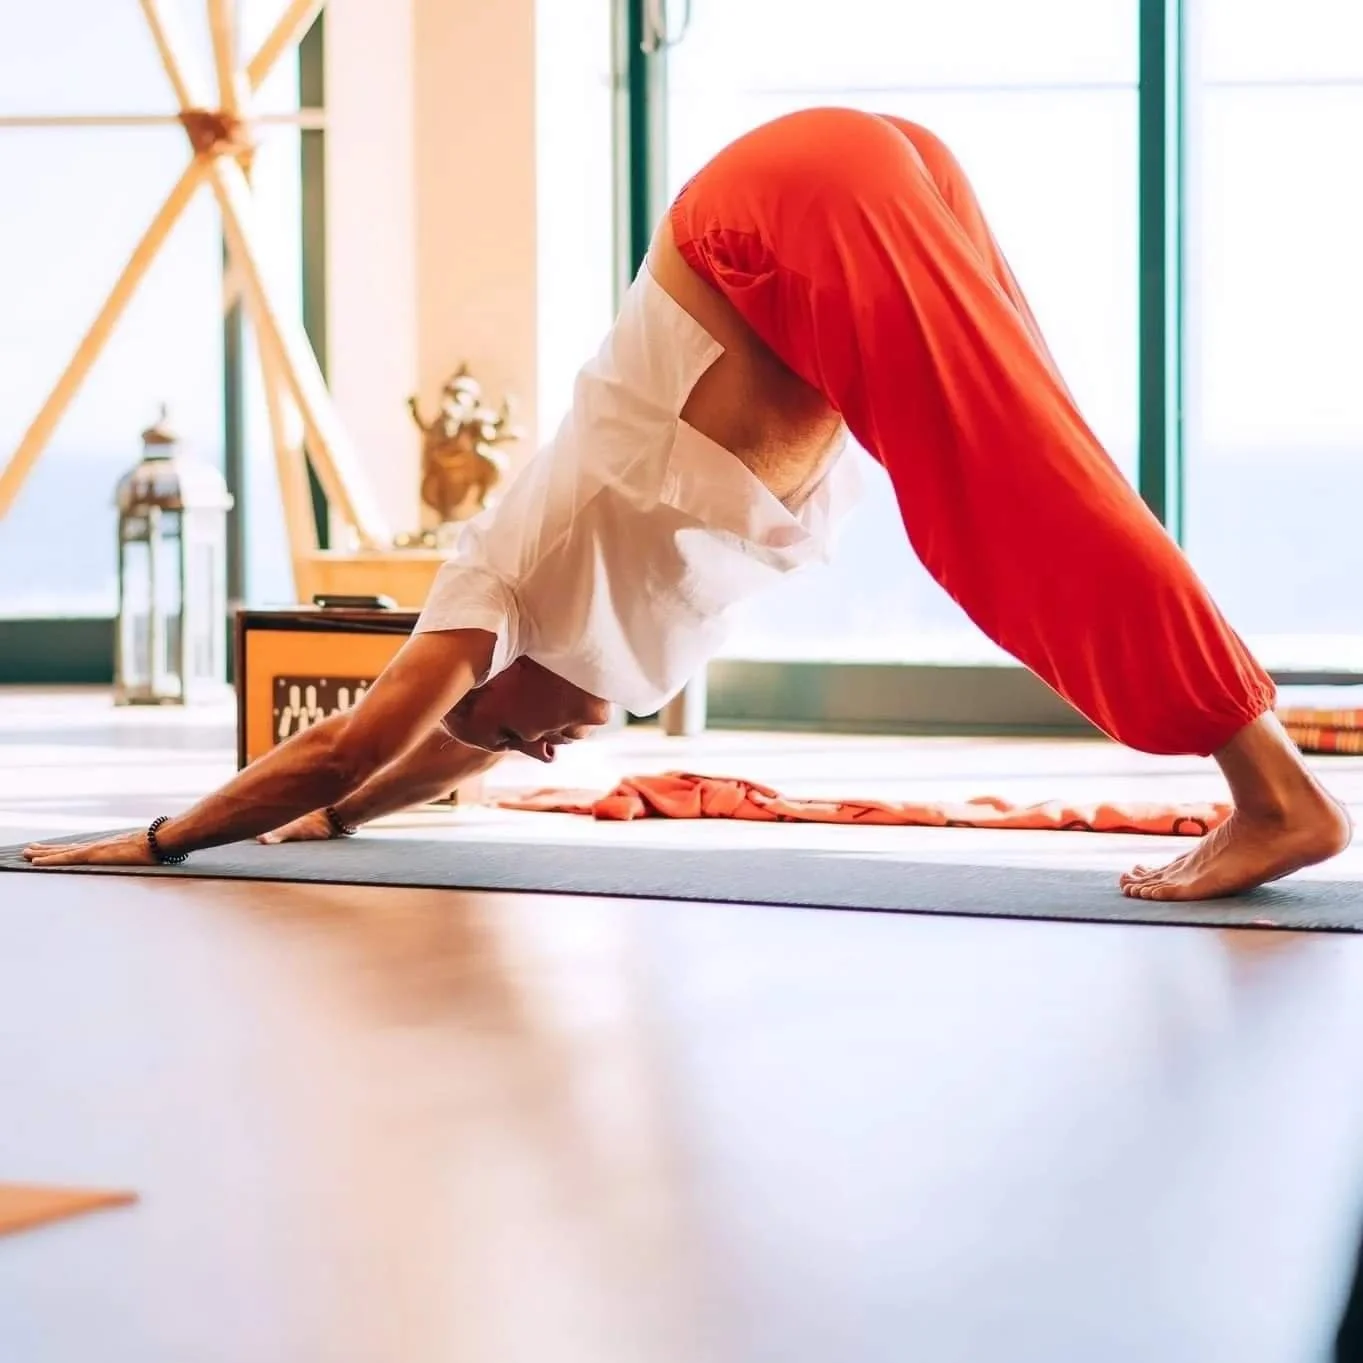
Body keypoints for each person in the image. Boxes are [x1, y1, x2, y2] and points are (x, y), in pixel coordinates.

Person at [24, 108, 1350, 900]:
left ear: (480, 684)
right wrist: (344, 823)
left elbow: (358, 738)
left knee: (1010, 506)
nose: (539, 752)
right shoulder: (603, 651)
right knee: (1018, 484)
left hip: (768, 215)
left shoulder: (500, 579)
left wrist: (158, 836)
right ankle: (1264, 776)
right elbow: (402, 764)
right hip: (858, 196)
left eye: (496, 738)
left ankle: (1273, 792)